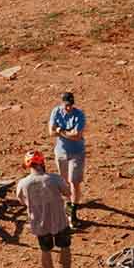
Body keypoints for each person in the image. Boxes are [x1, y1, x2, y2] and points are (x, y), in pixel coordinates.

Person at [15, 151, 76, 268]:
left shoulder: (23, 183)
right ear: (42, 163)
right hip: (59, 221)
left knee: (45, 250)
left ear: (27, 165)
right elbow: (68, 193)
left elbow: (21, 199)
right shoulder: (54, 179)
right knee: (64, 247)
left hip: (39, 223)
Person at [48, 91, 88, 225]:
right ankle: (68, 206)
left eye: (70, 105)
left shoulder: (79, 115)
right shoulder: (56, 112)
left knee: (74, 182)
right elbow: (50, 132)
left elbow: (77, 135)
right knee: (64, 181)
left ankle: (72, 213)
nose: (68, 108)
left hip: (76, 153)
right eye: (66, 105)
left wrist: (60, 131)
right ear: (61, 103)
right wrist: (67, 133)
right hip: (61, 153)